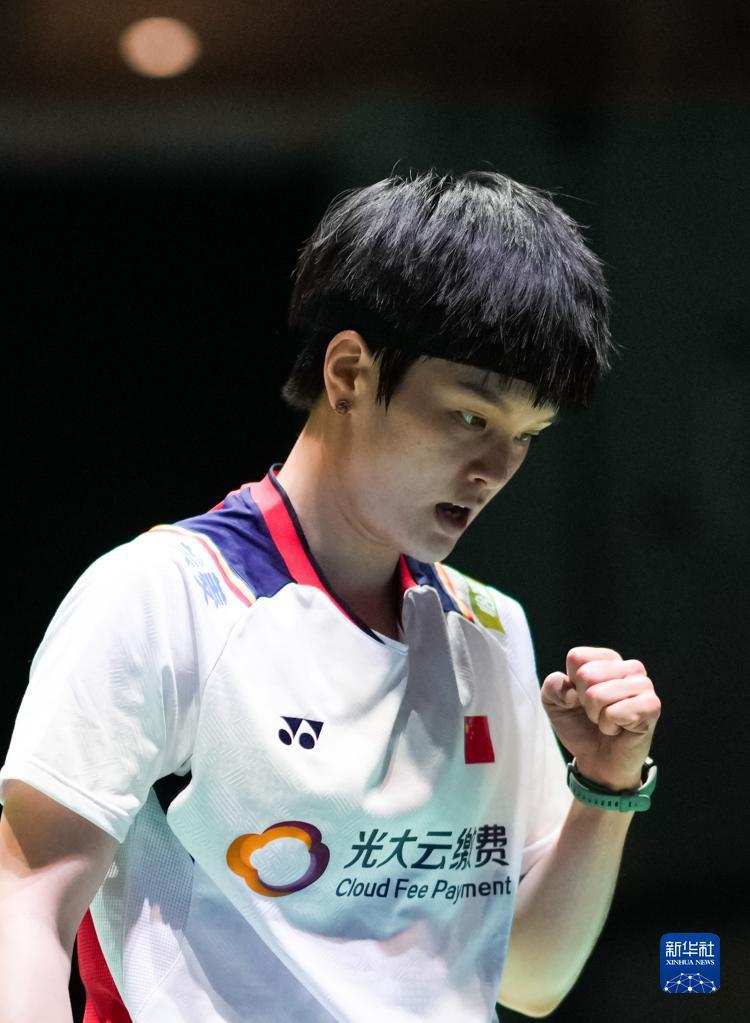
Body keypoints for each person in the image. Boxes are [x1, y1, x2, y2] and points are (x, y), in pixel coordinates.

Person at [0, 169, 661, 1023]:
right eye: (470, 416)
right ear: (349, 371)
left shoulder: (492, 632)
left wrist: (606, 785)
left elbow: (529, 973)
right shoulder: (165, 599)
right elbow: (29, 898)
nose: (495, 469)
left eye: (525, 435)